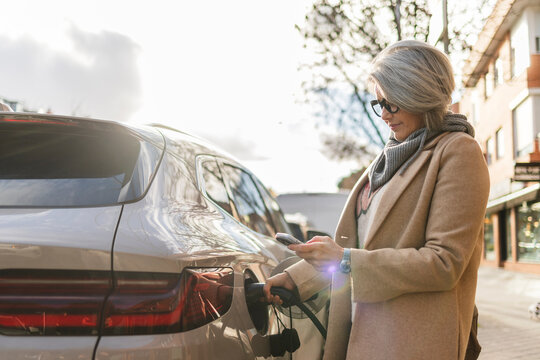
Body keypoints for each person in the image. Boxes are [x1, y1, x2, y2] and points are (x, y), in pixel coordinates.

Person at [264, 40, 489, 360]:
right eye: (379, 103)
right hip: (365, 336)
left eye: (391, 103)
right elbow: (362, 246)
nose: (383, 114)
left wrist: (343, 259)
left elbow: (444, 264)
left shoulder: (457, 152)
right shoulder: (389, 158)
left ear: (419, 94)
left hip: (414, 343)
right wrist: (295, 278)